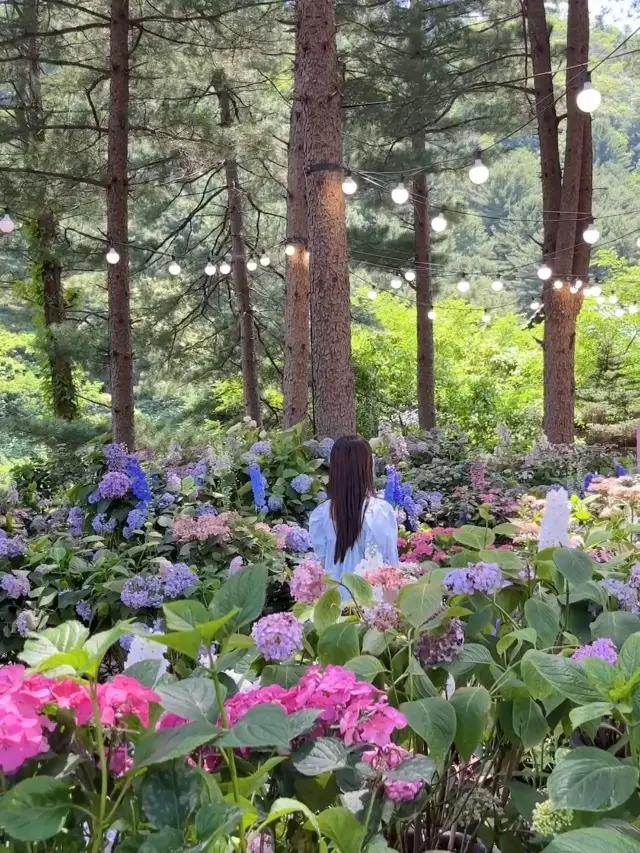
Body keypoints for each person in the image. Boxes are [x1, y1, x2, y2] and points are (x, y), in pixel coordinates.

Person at [309, 435, 399, 583]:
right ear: (366, 467)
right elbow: (388, 563)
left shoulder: (321, 514)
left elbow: (322, 563)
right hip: (370, 598)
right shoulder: (379, 511)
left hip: (334, 598)